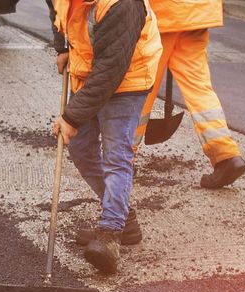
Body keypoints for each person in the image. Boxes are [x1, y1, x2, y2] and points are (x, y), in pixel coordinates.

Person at [48, 0, 162, 274]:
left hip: (128, 76)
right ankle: (124, 218)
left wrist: (71, 116)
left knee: (116, 155)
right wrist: (63, 46)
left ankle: (110, 233)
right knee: (80, 148)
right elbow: (56, 9)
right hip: (89, 70)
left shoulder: (123, 4)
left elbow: (111, 69)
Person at [135, 0, 245, 191]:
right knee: (198, 85)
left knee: (142, 83)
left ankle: (122, 156)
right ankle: (225, 155)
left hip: (163, 14)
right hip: (199, 11)